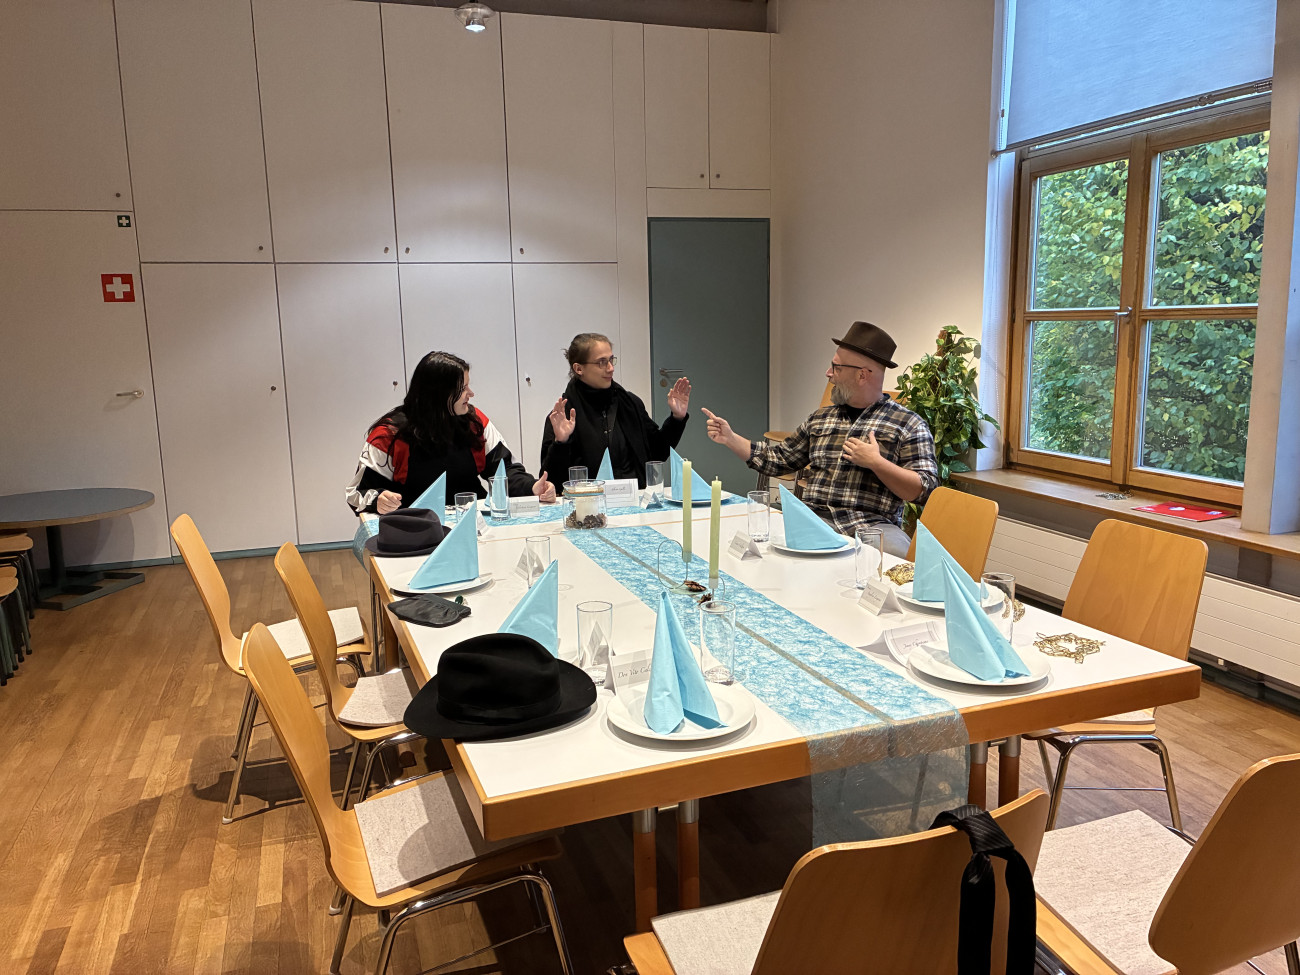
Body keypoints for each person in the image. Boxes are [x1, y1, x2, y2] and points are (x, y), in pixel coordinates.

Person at [701, 321, 937, 556]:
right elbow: (779, 459)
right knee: (757, 543)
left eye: (836, 367)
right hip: (812, 521)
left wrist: (877, 463)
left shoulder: (908, 424)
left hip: (872, 528)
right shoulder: (820, 418)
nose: (828, 373)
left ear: (862, 375)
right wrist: (730, 438)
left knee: (902, 560)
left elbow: (925, 491)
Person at [346, 351, 555, 515]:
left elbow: (505, 471)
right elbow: (356, 493)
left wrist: (531, 487)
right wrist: (378, 499)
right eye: (463, 388)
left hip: (475, 522)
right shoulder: (389, 434)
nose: (471, 394)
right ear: (439, 394)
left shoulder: (475, 422)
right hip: (418, 530)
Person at [540, 332, 692, 489]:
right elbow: (549, 483)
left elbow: (657, 453)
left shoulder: (631, 403)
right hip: (586, 501)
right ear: (579, 368)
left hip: (634, 497)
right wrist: (561, 443)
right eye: (601, 362)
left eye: (611, 360)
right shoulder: (563, 416)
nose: (611, 368)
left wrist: (677, 418)